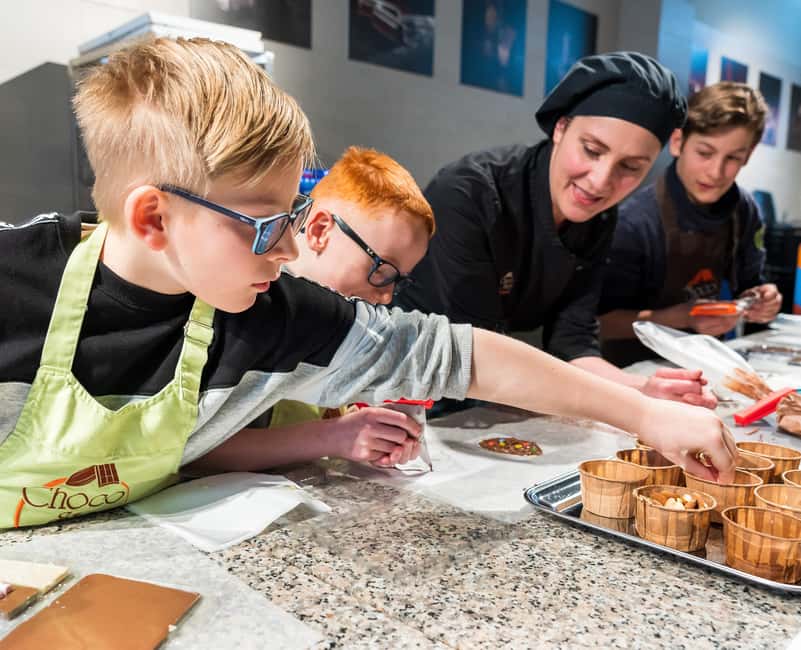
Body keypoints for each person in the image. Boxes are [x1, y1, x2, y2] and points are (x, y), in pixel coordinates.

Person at [0, 38, 734, 529]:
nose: (290, 248)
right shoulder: (13, 282)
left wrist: (644, 414)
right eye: (265, 225)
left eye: (293, 217)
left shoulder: (268, 313)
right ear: (154, 219)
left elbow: (461, 354)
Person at [396, 52, 715, 409]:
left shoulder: (598, 219)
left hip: (483, 395)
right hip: (402, 394)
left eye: (631, 167)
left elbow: (573, 342)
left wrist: (643, 390)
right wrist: (634, 411)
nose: (601, 181)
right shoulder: (470, 193)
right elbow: (479, 354)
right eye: (592, 150)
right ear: (561, 128)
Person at [189, 145, 436, 473]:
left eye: (398, 281)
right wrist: (333, 437)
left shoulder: (339, 327)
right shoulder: (243, 305)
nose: (387, 296)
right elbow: (188, 450)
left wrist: (371, 429)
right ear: (320, 231)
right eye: (381, 270)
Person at [598, 82, 781, 366]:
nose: (716, 172)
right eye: (705, 153)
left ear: (748, 155)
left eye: (733, 158)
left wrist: (761, 299)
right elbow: (600, 323)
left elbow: (750, 283)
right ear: (677, 142)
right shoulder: (634, 222)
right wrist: (680, 317)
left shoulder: (744, 210)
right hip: (633, 369)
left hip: (707, 364)